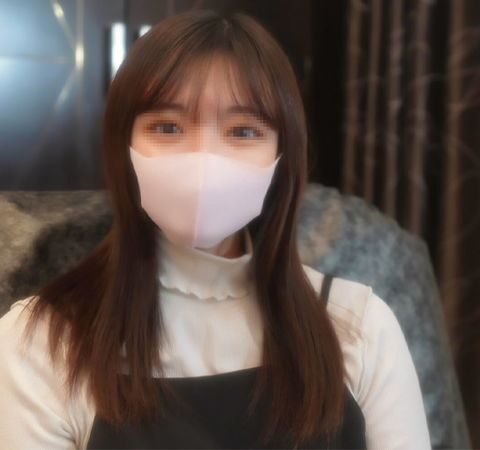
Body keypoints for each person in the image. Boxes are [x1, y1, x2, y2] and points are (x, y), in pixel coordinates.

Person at [0, 9, 431, 450]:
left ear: (282, 158)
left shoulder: (358, 327)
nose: (204, 159)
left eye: (243, 131)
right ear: (122, 147)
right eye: (167, 127)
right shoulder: (41, 344)